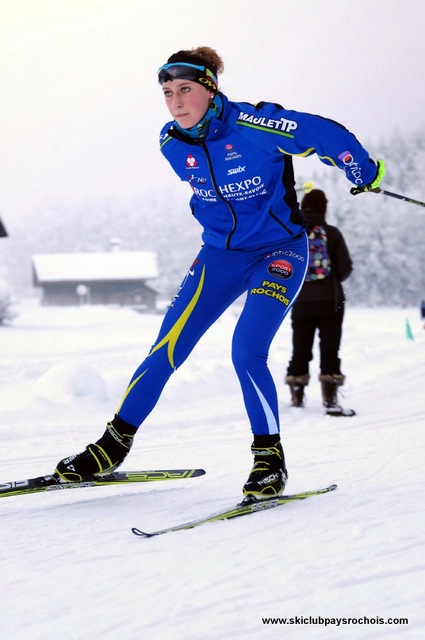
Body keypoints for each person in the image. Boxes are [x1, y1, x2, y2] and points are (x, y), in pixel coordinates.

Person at [54, 46, 385, 500]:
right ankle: (112, 446)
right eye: (168, 92)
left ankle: (269, 458)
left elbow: (322, 133)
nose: (176, 102)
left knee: (246, 350)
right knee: (166, 348)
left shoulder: (255, 125)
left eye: (186, 89)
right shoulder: (171, 142)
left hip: (278, 253)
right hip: (219, 258)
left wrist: (361, 169)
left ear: (211, 90)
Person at [285, 189, 355, 416]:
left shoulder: (293, 233)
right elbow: (345, 268)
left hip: (302, 301)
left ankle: (296, 397)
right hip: (330, 301)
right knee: (330, 348)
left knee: (300, 349)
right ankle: (331, 402)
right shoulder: (332, 233)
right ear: (324, 207)